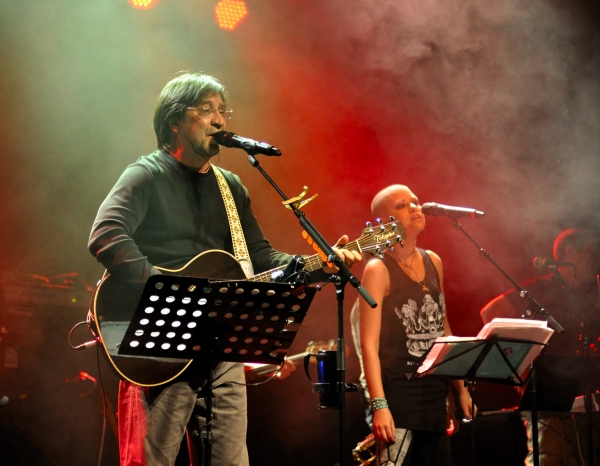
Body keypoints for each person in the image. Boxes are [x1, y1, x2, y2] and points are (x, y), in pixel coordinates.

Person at [88, 72, 360, 466]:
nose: (219, 120)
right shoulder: (146, 174)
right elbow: (106, 235)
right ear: (175, 120)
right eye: (206, 110)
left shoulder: (230, 187)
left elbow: (261, 258)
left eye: (222, 110)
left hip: (221, 342)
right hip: (158, 341)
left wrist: (319, 265)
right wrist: (164, 290)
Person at [358, 184, 474, 466]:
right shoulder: (378, 269)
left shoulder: (433, 260)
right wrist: (379, 406)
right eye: (401, 206)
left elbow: (444, 330)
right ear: (384, 222)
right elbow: (368, 345)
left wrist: (460, 389)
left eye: (415, 202)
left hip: (434, 394)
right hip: (399, 396)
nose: (414, 208)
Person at [480, 228, 600, 466]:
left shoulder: (590, 291)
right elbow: (490, 313)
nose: (595, 259)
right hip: (548, 393)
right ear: (570, 253)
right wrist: (518, 369)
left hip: (585, 393)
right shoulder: (541, 288)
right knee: (549, 457)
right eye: (590, 252)